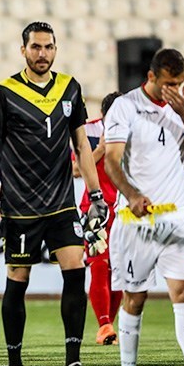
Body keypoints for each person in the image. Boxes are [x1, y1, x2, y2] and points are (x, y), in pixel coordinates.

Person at [0, 21, 108, 366]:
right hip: (20, 207)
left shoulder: (70, 88)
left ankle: (73, 365)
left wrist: (96, 195)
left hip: (61, 204)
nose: (42, 53)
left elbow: (81, 145)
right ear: (23, 50)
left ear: (55, 49)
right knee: (18, 280)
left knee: (76, 272)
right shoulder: (5, 91)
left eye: (48, 47)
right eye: (35, 47)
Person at [103, 48, 184, 366]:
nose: (175, 90)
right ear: (151, 78)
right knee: (135, 297)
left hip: (176, 216)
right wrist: (132, 194)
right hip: (136, 220)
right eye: (169, 84)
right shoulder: (125, 107)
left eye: (180, 83)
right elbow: (112, 161)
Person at [72, 91, 123, 346]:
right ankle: (104, 324)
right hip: (95, 208)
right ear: (104, 114)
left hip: (125, 208)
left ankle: (108, 326)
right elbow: (75, 169)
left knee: (120, 269)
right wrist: (101, 148)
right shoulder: (89, 131)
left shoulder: (133, 131)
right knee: (99, 264)